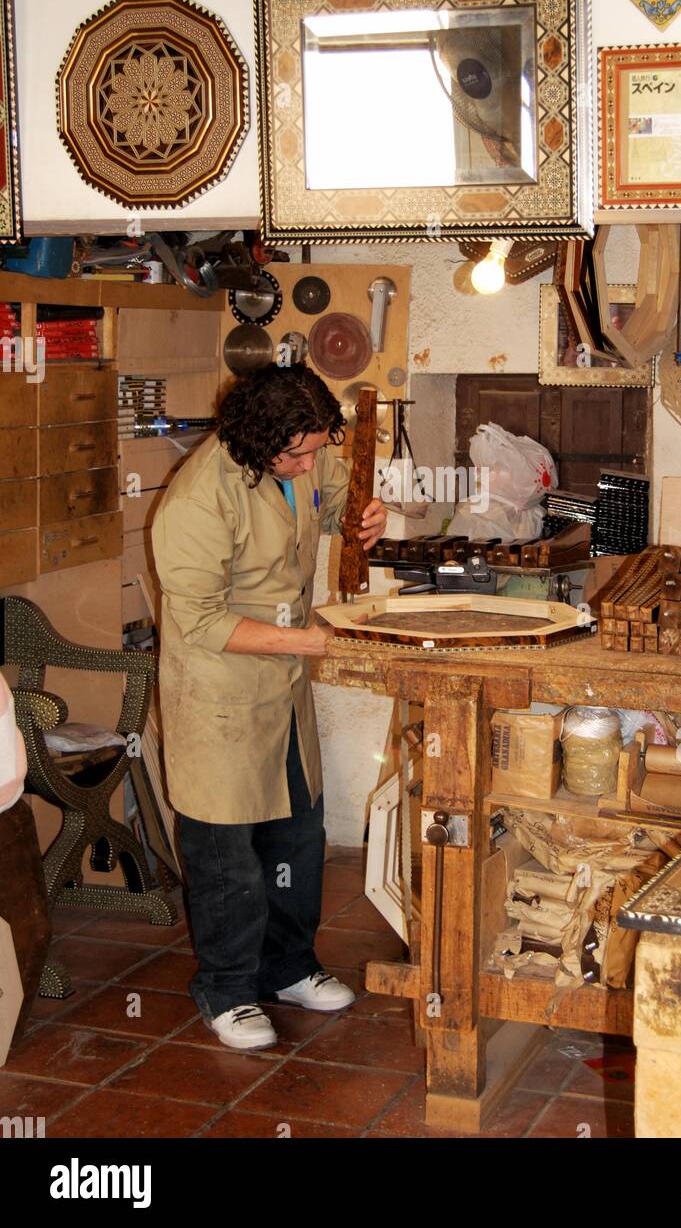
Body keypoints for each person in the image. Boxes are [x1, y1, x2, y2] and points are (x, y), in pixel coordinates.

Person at [151, 363, 386, 1051]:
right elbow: (197, 620)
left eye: (316, 448)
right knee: (228, 854)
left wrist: (365, 515)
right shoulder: (198, 498)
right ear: (257, 440)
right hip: (218, 693)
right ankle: (225, 988)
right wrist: (312, 640)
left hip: (282, 686)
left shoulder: (301, 458)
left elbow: (340, 499)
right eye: (299, 452)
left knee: (298, 837)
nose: (311, 461)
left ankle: (288, 966)